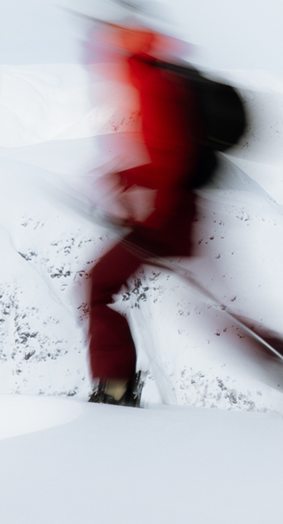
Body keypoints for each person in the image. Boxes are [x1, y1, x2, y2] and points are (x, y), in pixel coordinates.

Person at [84, 20, 200, 406]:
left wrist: (136, 197)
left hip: (167, 217)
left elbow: (168, 160)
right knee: (218, 308)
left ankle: (115, 389)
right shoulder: (161, 80)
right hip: (175, 214)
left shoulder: (152, 86)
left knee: (99, 286)